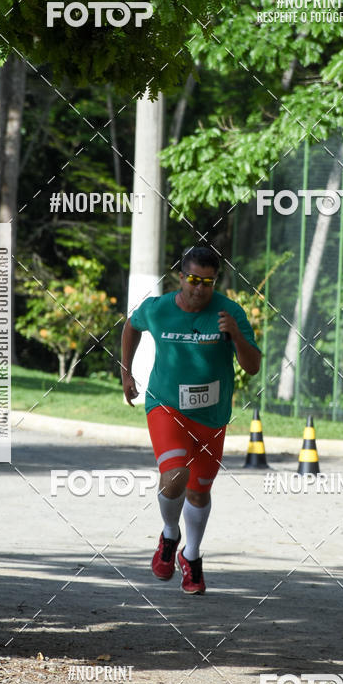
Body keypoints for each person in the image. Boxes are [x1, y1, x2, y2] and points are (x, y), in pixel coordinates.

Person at [121, 245, 261, 594]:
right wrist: (126, 372)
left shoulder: (229, 313)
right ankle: (170, 535)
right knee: (174, 475)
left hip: (212, 416)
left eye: (208, 282)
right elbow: (130, 326)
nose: (199, 288)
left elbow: (253, 366)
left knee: (199, 494)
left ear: (215, 283)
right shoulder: (158, 309)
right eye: (194, 280)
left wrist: (236, 336)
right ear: (180, 277)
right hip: (166, 405)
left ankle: (191, 556)